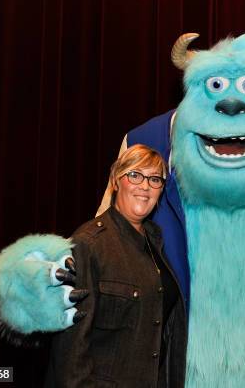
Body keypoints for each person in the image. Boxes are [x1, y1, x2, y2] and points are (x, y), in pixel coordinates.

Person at [45, 144, 186, 388]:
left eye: (155, 179)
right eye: (135, 175)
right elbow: (70, 352)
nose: (145, 186)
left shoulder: (156, 242)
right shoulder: (88, 244)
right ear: (115, 181)